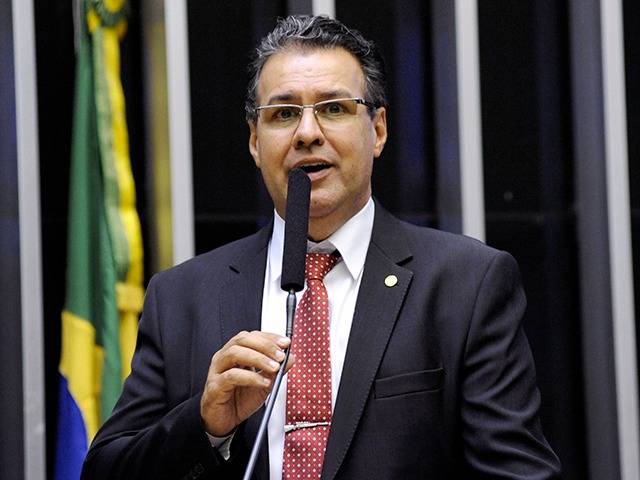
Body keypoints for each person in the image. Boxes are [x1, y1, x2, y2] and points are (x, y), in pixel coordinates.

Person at [83, 15, 561, 479]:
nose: (308, 133)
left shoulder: (466, 284)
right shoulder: (181, 297)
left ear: (377, 130)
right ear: (255, 141)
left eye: (333, 108)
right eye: (284, 114)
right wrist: (205, 426)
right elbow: (106, 468)